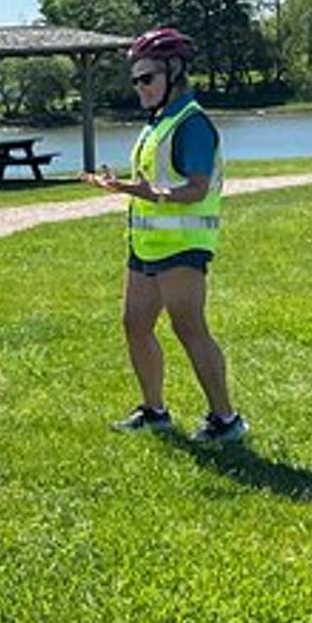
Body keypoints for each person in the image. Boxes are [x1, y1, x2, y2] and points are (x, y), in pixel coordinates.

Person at [82, 26, 248, 443]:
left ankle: (226, 420)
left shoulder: (192, 125)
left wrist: (143, 191)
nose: (140, 87)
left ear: (174, 72)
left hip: (183, 245)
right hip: (145, 244)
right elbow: (151, 180)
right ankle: (154, 411)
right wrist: (122, 186)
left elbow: (195, 187)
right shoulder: (158, 123)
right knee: (135, 324)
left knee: (189, 327)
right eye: (135, 80)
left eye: (148, 78)